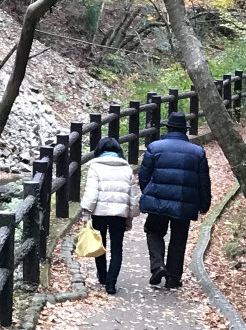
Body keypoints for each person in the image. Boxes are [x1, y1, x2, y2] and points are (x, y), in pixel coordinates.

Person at [137, 113, 212, 289]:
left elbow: (143, 176)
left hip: (158, 200)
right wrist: (204, 203)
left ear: (168, 128)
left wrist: (149, 193)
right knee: (179, 239)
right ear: (184, 131)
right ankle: (173, 278)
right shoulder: (197, 152)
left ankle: (158, 265)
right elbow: (203, 181)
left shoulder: (154, 148)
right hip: (184, 202)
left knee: (153, 231)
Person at [78, 137, 136, 295]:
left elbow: (91, 193)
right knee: (117, 248)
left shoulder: (95, 167)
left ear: (99, 150)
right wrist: (131, 215)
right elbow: (132, 196)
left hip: (99, 213)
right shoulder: (127, 169)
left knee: (99, 245)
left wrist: (86, 212)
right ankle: (111, 283)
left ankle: (102, 276)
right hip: (119, 214)